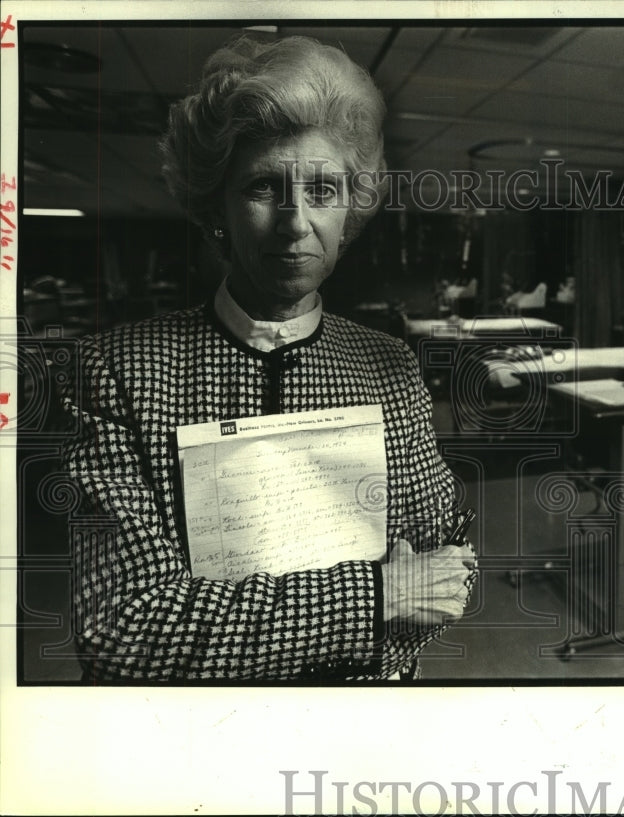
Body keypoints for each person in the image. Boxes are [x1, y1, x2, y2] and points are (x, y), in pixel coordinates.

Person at [60, 35, 476, 682]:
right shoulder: (116, 372)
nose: (295, 222)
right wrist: (380, 597)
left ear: (350, 211)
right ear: (216, 206)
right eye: (263, 187)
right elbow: (121, 628)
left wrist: (434, 582)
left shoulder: (390, 367)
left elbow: (444, 568)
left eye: (323, 190)